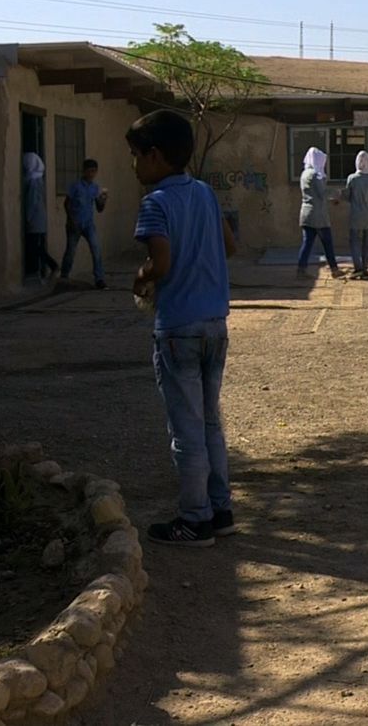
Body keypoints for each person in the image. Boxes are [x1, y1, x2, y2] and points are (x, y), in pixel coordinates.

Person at [129, 109, 238, 547]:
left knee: (186, 430)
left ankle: (194, 519)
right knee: (210, 423)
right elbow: (230, 245)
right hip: (215, 324)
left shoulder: (155, 203)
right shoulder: (205, 193)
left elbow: (161, 263)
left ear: (155, 156)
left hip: (177, 328)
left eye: (136, 156)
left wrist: (141, 276)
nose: (134, 165)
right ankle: (220, 509)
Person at [60, 158, 108, 289]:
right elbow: (67, 203)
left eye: (94, 171)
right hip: (75, 223)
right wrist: (71, 220)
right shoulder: (75, 186)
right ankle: (64, 276)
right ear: (84, 171)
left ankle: (99, 279)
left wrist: (103, 200)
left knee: (96, 250)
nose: (92, 174)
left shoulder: (95, 188)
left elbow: (99, 208)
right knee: (70, 251)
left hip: (88, 224)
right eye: (90, 171)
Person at [296, 147, 342, 279]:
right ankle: (334, 269)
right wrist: (336, 193)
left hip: (306, 213)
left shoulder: (304, 174)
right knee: (327, 243)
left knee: (307, 243)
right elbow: (322, 193)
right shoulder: (315, 175)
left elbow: (315, 194)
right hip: (318, 215)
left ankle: (301, 269)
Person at [345, 150, 368, 280]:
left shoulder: (352, 178)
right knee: (367, 242)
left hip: (356, 213)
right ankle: (365, 269)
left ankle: (358, 268)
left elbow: (347, 195)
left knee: (354, 241)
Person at [22, 152, 59, 280]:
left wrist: (27, 218)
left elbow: (32, 202)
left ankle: (52, 266)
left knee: (34, 247)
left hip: (35, 219)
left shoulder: (33, 181)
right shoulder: (38, 179)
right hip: (39, 219)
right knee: (37, 246)